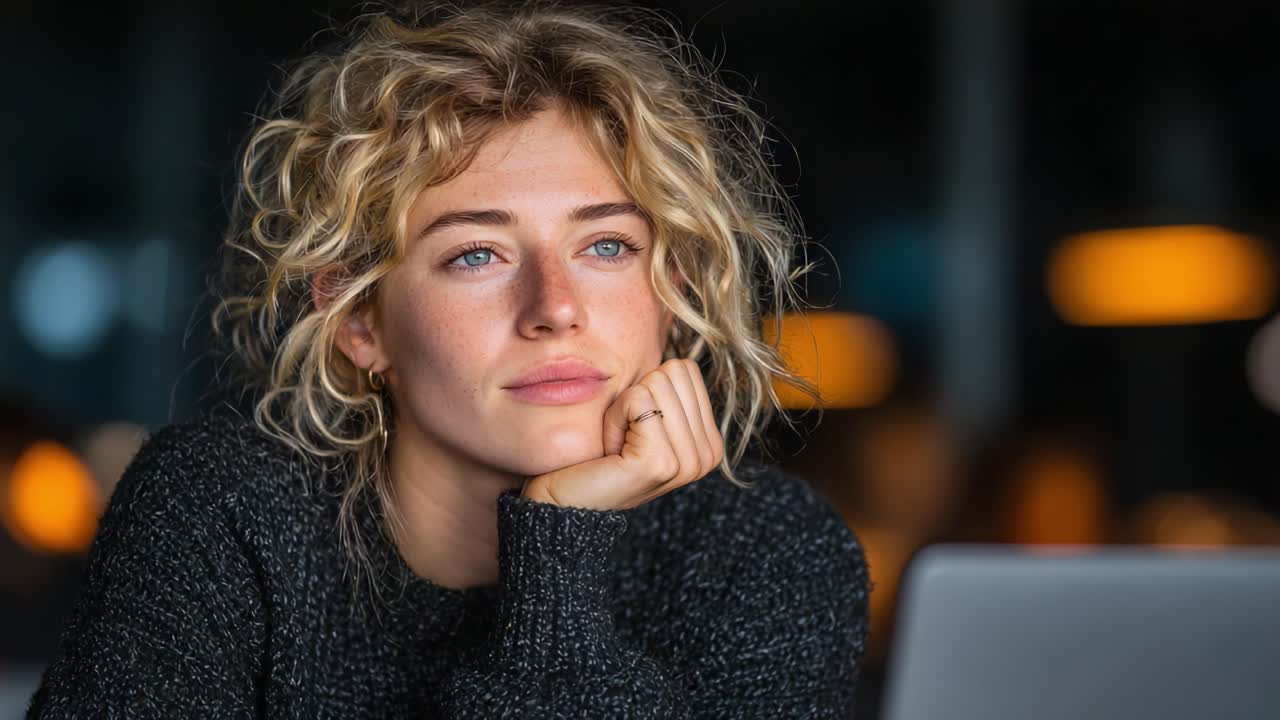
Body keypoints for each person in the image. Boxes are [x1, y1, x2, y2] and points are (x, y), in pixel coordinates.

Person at [27, 2, 869, 717]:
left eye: (606, 245)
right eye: (477, 255)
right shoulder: (219, 512)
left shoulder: (764, 554)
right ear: (361, 323)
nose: (557, 309)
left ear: (668, 288)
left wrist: (559, 547)